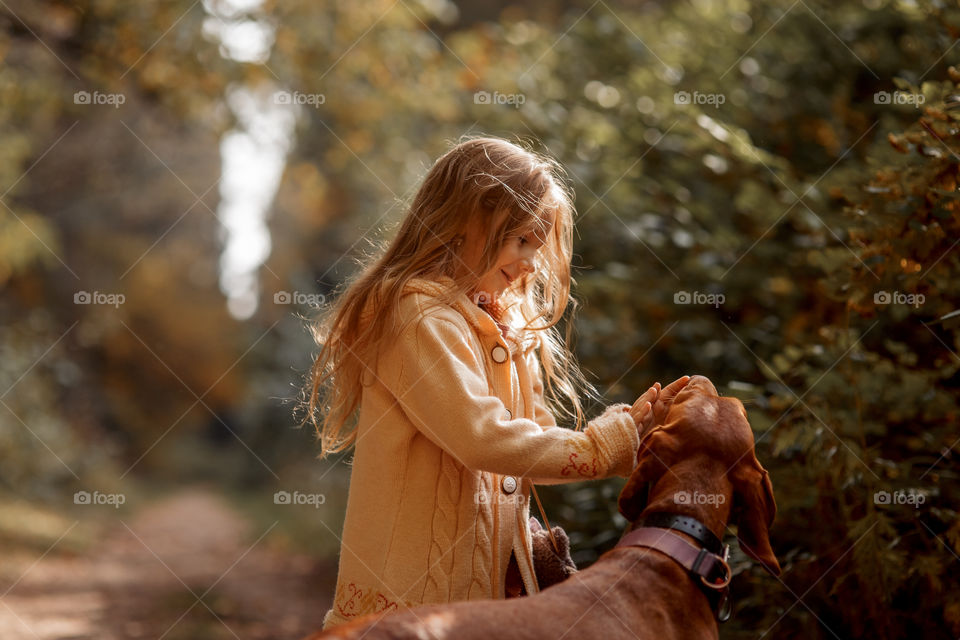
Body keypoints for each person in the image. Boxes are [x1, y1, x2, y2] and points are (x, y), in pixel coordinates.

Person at [301, 135, 689, 629]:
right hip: (406, 604)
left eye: (537, 247)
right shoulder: (418, 316)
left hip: (476, 607)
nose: (529, 262)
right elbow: (481, 437)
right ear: (465, 222)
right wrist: (601, 450)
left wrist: (623, 432)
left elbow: (529, 445)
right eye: (521, 240)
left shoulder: (499, 327)